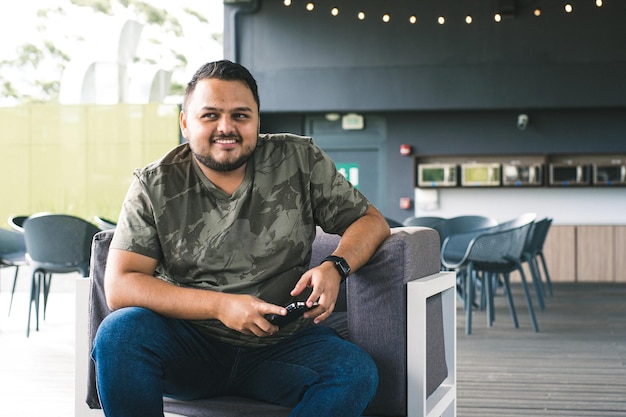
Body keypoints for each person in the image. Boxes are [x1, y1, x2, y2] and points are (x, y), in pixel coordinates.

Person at [92, 59, 391, 417]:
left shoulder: (299, 159)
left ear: (257, 121)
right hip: (187, 346)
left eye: (240, 115)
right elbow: (121, 285)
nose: (226, 128)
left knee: (353, 372)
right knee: (119, 335)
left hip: (283, 345)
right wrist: (221, 306)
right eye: (210, 115)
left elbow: (370, 220)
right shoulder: (154, 184)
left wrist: (335, 266)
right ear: (185, 122)